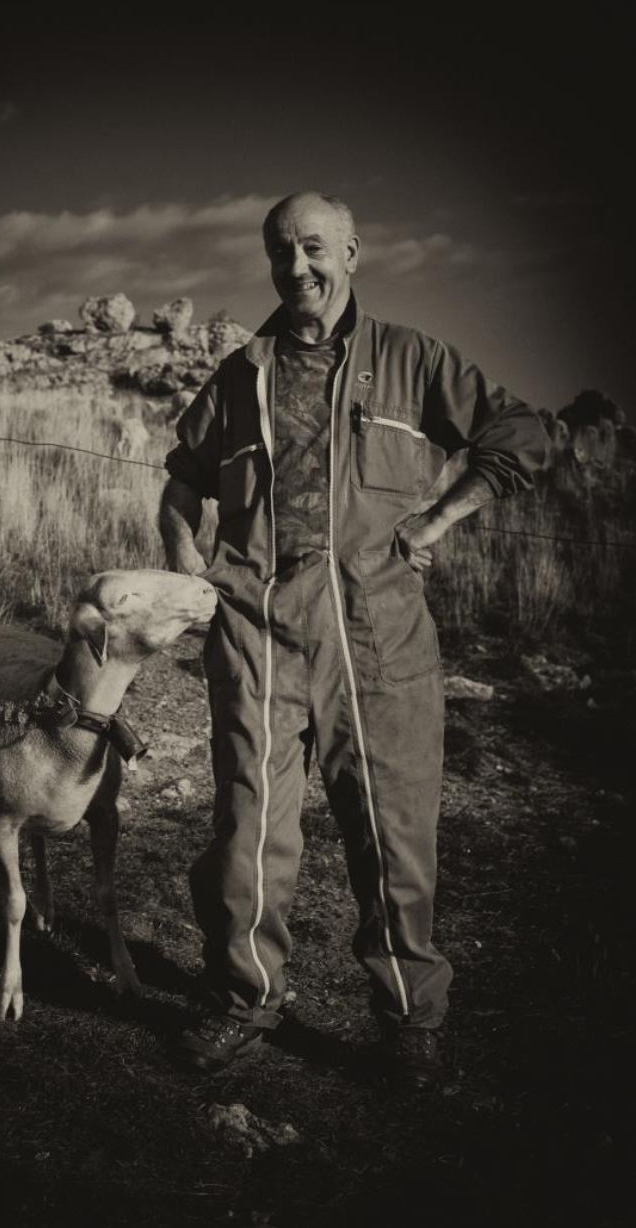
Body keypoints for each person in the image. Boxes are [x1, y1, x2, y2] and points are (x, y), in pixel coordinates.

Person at [158, 191, 547, 1089]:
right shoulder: (238, 375)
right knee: (249, 826)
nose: (296, 267)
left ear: (352, 253)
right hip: (256, 627)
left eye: (313, 248)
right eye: (281, 252)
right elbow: (181, 483)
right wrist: (188, 564)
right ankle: (244, 1000)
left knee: (393, 829)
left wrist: (438, 519)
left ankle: (409, 1018)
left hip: (377, 630)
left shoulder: (413, 360)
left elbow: (520, 437)